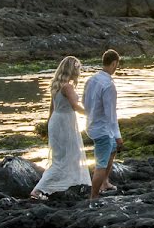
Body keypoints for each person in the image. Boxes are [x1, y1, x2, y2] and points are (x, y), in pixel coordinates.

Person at [30, 56, 92, 199]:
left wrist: (47, 125)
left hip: (57, 121)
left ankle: (69, 184)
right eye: (77, 69)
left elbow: (51, 109)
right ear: (72, 69)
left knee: (65, 157)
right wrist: (91, 113)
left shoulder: (56, 85)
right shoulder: (67, 87)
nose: (79, 72)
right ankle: (38, 190)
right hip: (64, 123)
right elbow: (75, 106)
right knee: (63, 159)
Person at [84, 49, 123, 199]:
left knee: (112, 149)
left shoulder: (91, 80)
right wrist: (118, 136)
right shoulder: (109, 86)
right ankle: (94, 196)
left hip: (91, 124)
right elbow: (111, 115)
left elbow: (84, 103)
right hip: (103, 129)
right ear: (114, 64)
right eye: (117, 65)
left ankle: (105, 182)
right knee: (101, 163)